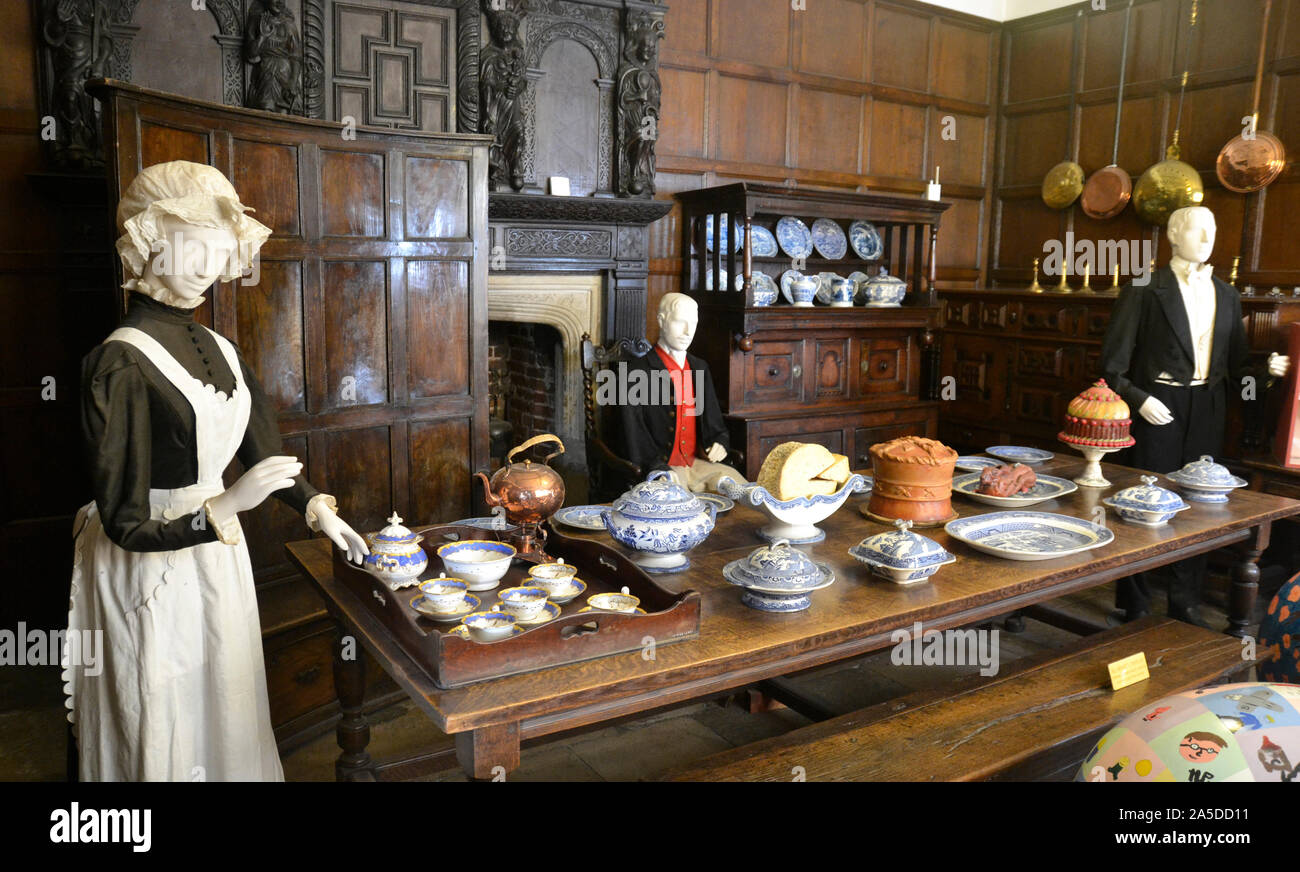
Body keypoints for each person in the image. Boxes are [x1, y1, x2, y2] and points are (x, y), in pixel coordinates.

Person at [64, 161, 369, 781]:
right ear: (150, 243)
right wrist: (228, 506)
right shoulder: (118, 363)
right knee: (161, 701)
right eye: (194, 246)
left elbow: (261, 454)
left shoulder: (223, 348)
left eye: (218, 249)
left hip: (213, 557)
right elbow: (126, 522)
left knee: (222, 703)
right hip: (147, 567)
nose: (209, 264)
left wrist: (317, 510)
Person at [1100, 205, 1289, 625]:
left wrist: (1266, 374)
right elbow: (1112, 369)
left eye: (1213, 230)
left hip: (1208, 409)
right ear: (1173, 234)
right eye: (1198, 230)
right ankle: (1135, 602)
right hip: (1157, 407)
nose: (1207, 239)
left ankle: (1184, 601)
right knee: (1144, 506)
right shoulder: (1144, 287)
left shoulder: (1226, 293)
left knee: (1201, 508)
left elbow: (1238, 370)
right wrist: (1140, 401)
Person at [617, 293, 744, 492]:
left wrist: (720, 442)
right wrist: (657, 468)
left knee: (746, 495)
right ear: (661, 321)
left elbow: (715, 424)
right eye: (679, 322)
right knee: (679, 511)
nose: (687, 331)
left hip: (699, 465)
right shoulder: (635, 372)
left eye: (693, 323)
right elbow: (633, 433)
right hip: (664, 470)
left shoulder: (699, 367)